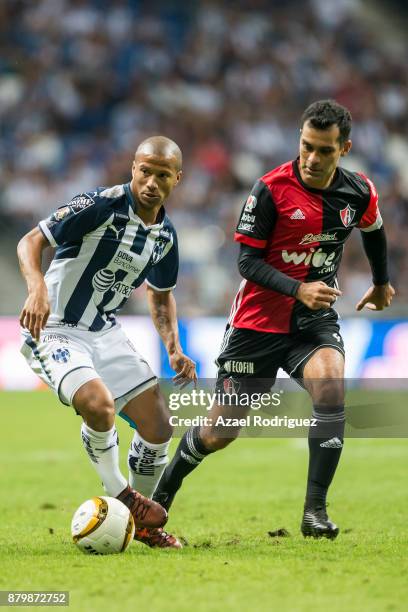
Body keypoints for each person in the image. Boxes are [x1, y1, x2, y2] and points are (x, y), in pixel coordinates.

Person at [153, 100, 395, 539]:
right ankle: (162, 496)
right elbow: (246, 262)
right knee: (220, 431)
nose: (313, 158)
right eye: (306, 146)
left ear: (345, 149)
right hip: (256, 326)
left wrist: (381, 282)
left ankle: (314, 513)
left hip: (311, 323)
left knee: (330, 386)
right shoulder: (269, 189)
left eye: (324, 150)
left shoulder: (357, 191)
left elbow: (374, 228)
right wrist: (298, 287)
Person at [17, 136, 197, 549]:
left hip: (104, 330)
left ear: (176, 179)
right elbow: (31, 241)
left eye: (162, 175)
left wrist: (172, 346)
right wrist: (36, 287)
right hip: (55, 326)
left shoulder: (165, 236)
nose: (151, 181)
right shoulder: (100, 205)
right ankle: (121, 494)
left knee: (158, 426)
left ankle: (143, 523)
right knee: (98, 405)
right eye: (144, 171)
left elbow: (160, 292)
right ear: (133, 167)